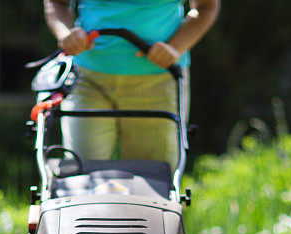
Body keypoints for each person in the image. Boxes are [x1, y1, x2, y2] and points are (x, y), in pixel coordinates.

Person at [43, 0, 220, 171]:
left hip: (158, 82)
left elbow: (206, 7)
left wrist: (175, 47)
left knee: (155, 181)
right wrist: (66, 33)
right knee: (81, 176)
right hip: (88, 80)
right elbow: (56, 3)